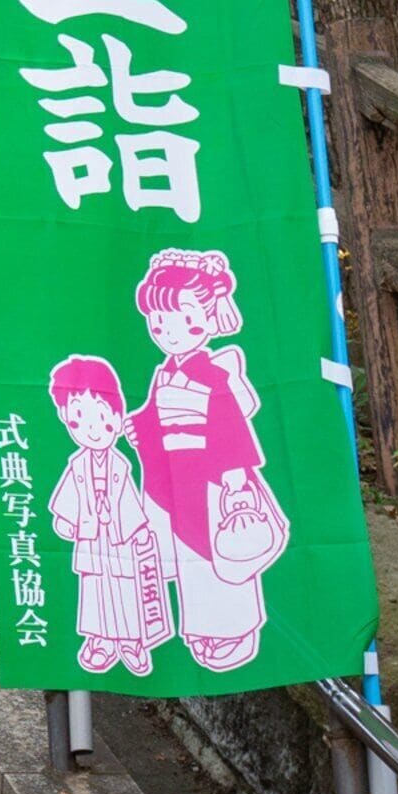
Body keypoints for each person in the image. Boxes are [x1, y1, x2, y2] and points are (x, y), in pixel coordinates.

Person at [129, 247, 289, 671]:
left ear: (204, 319)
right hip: (177, 477)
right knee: (190, 562)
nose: (165, 331)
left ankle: (232, 631)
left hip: (213, 481)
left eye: (176, 320)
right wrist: (141, 427)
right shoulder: (166, 371)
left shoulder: (212, 373)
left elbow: (229, 428)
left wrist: (235, 482)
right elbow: (153, 415)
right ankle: (199, 629)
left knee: (219, 554)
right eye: (157, 322)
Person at [45, 355, 173, 676]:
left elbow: (129, 503)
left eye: (101, 419)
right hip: (91, 539)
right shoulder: (77, 466)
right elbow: (67, 501)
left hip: (119, 541)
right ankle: (100, 641)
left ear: (116, 419)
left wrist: (138, 531)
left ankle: (130, 642)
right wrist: (67, 521)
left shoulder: (120, 466)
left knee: (125, 591)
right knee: (95, 594)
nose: (91, 430)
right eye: (78, 422)